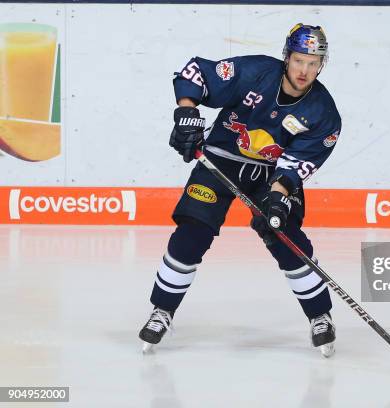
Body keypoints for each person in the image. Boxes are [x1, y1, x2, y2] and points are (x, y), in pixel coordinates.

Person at [138, 24, 342, 358]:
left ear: (322, 64)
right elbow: (195, 74)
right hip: (219, 160)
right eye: (299, 60)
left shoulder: (323, 112)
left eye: (313, 62)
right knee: (193, 231)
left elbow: (297, 164)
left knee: (284, 235)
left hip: (271, 175)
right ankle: (162, 310)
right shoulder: (256, 72)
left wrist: (278, 197)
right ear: (287, 57)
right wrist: (187, 112)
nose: (304, 70)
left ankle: (320, 315)